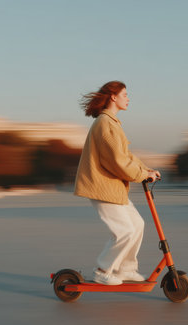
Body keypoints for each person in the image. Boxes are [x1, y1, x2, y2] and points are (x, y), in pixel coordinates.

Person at [74, 81, 160, 285]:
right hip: (102, 188)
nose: (128, 98)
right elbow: (117, 161)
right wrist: (140, 175)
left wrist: (145, 170)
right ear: (113, 97)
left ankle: (125, 268)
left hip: (113, 189)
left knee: (137, 225)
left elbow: (126, 155)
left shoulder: (111, 123)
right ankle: (102, 270)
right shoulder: (105, 123)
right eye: (125, 94)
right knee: (125, 232)